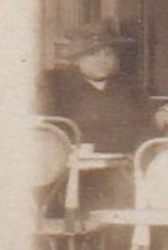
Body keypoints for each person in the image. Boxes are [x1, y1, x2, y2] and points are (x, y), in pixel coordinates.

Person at [41, 20, 149, 155]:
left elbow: (146, 125)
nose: (102, 60)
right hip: (76, 168)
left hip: (125, 164)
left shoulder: (128, 86)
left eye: (108, 54)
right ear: (77, 58)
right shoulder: (57, 86)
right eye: (93, 54)